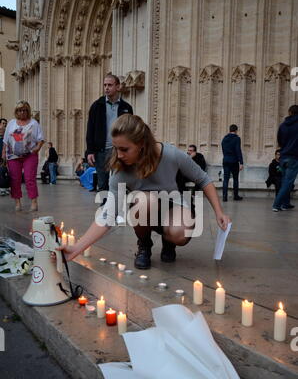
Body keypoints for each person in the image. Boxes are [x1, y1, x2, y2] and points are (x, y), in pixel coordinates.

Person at [57, 114, 230, 270]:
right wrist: (75, 249)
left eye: (124, 149)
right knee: (146, 200)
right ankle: (144, 244)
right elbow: (107, 216)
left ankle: (168, 242)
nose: (119, 155)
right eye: (116, 148)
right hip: (144, 207)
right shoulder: (119, 171)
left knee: (179, 233)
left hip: (174, 205)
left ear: (141, 144)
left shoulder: (171, 155)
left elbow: (203, 179)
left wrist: (219, 212)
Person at [86, 74, 133, 193]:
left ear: (117, 87)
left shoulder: (126, 107)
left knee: (120, 184)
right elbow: (90, 129)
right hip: (102, 151)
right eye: (105, 85)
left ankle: (119, 210)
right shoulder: (97, 106)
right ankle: (104, 210)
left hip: (119, 151)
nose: (106, 88)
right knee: (103, 185)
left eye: (110, 85)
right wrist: (90, 151)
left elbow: (131, 130)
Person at [2, 100, 44, 212]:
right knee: (15, 179)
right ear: (16, 111)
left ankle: (34, 202)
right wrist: (3, 154)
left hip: (30, 155)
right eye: (20, 110)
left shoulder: (34, 123)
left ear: (28, 111)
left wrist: (37, 148)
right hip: (13, 156)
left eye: (25, 110)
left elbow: (41, 139)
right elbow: (6, 140)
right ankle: (17, 202)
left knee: (30, 178)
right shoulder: (11, 123)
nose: (22, 112)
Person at [272, 105, 298, 212]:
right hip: (293, 157)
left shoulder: (282, 125)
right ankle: (276, 205)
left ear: (289, 112)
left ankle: (286, 203)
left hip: (283, 157)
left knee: (286, 182)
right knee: (288, 182)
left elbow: (280, 141)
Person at [221, 124, 243, 202]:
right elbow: (238, 150)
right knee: (235, 179)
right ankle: (235, 196)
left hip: (226, 160)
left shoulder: (224, 138)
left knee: (226, 179)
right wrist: (241, 162)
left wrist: (226, 157)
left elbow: (223, 149)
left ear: (230, 130)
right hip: (234, 161)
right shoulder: (237, 138)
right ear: (236, 130)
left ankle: (224, 196)